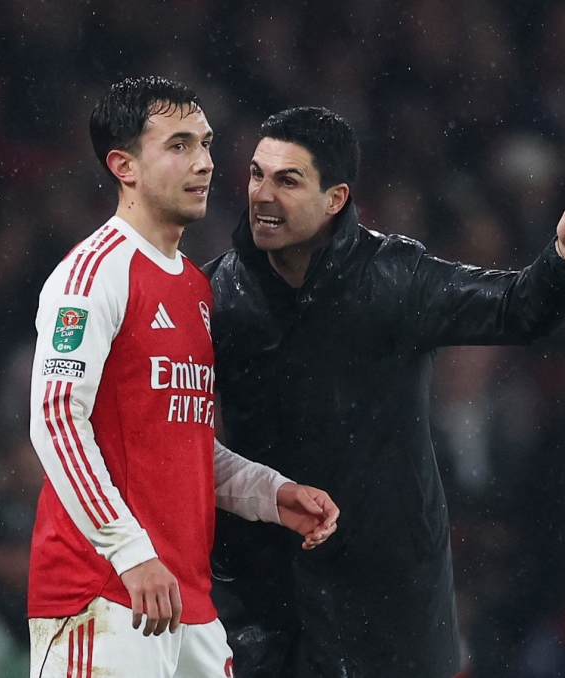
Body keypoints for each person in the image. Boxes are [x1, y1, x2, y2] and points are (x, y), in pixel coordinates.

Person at [203, 106, 565, 677]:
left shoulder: (393, 278)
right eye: (255, 175)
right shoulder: (216, 293)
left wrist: (563, 264)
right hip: (266, 599)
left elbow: (514, 309)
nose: (262, 195)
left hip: (388, 593)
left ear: (335, 198)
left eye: (287, 180)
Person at [27, 79, 339, 678]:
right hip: (104, 597)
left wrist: (271, 493)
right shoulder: (92, 275)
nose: (204, 162)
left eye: (206, 142)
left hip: (185, 604)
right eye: (178, 145)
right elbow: (56, 421)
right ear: (124, 166)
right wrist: (130, 552)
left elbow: (183, 441)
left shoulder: (195, 286)